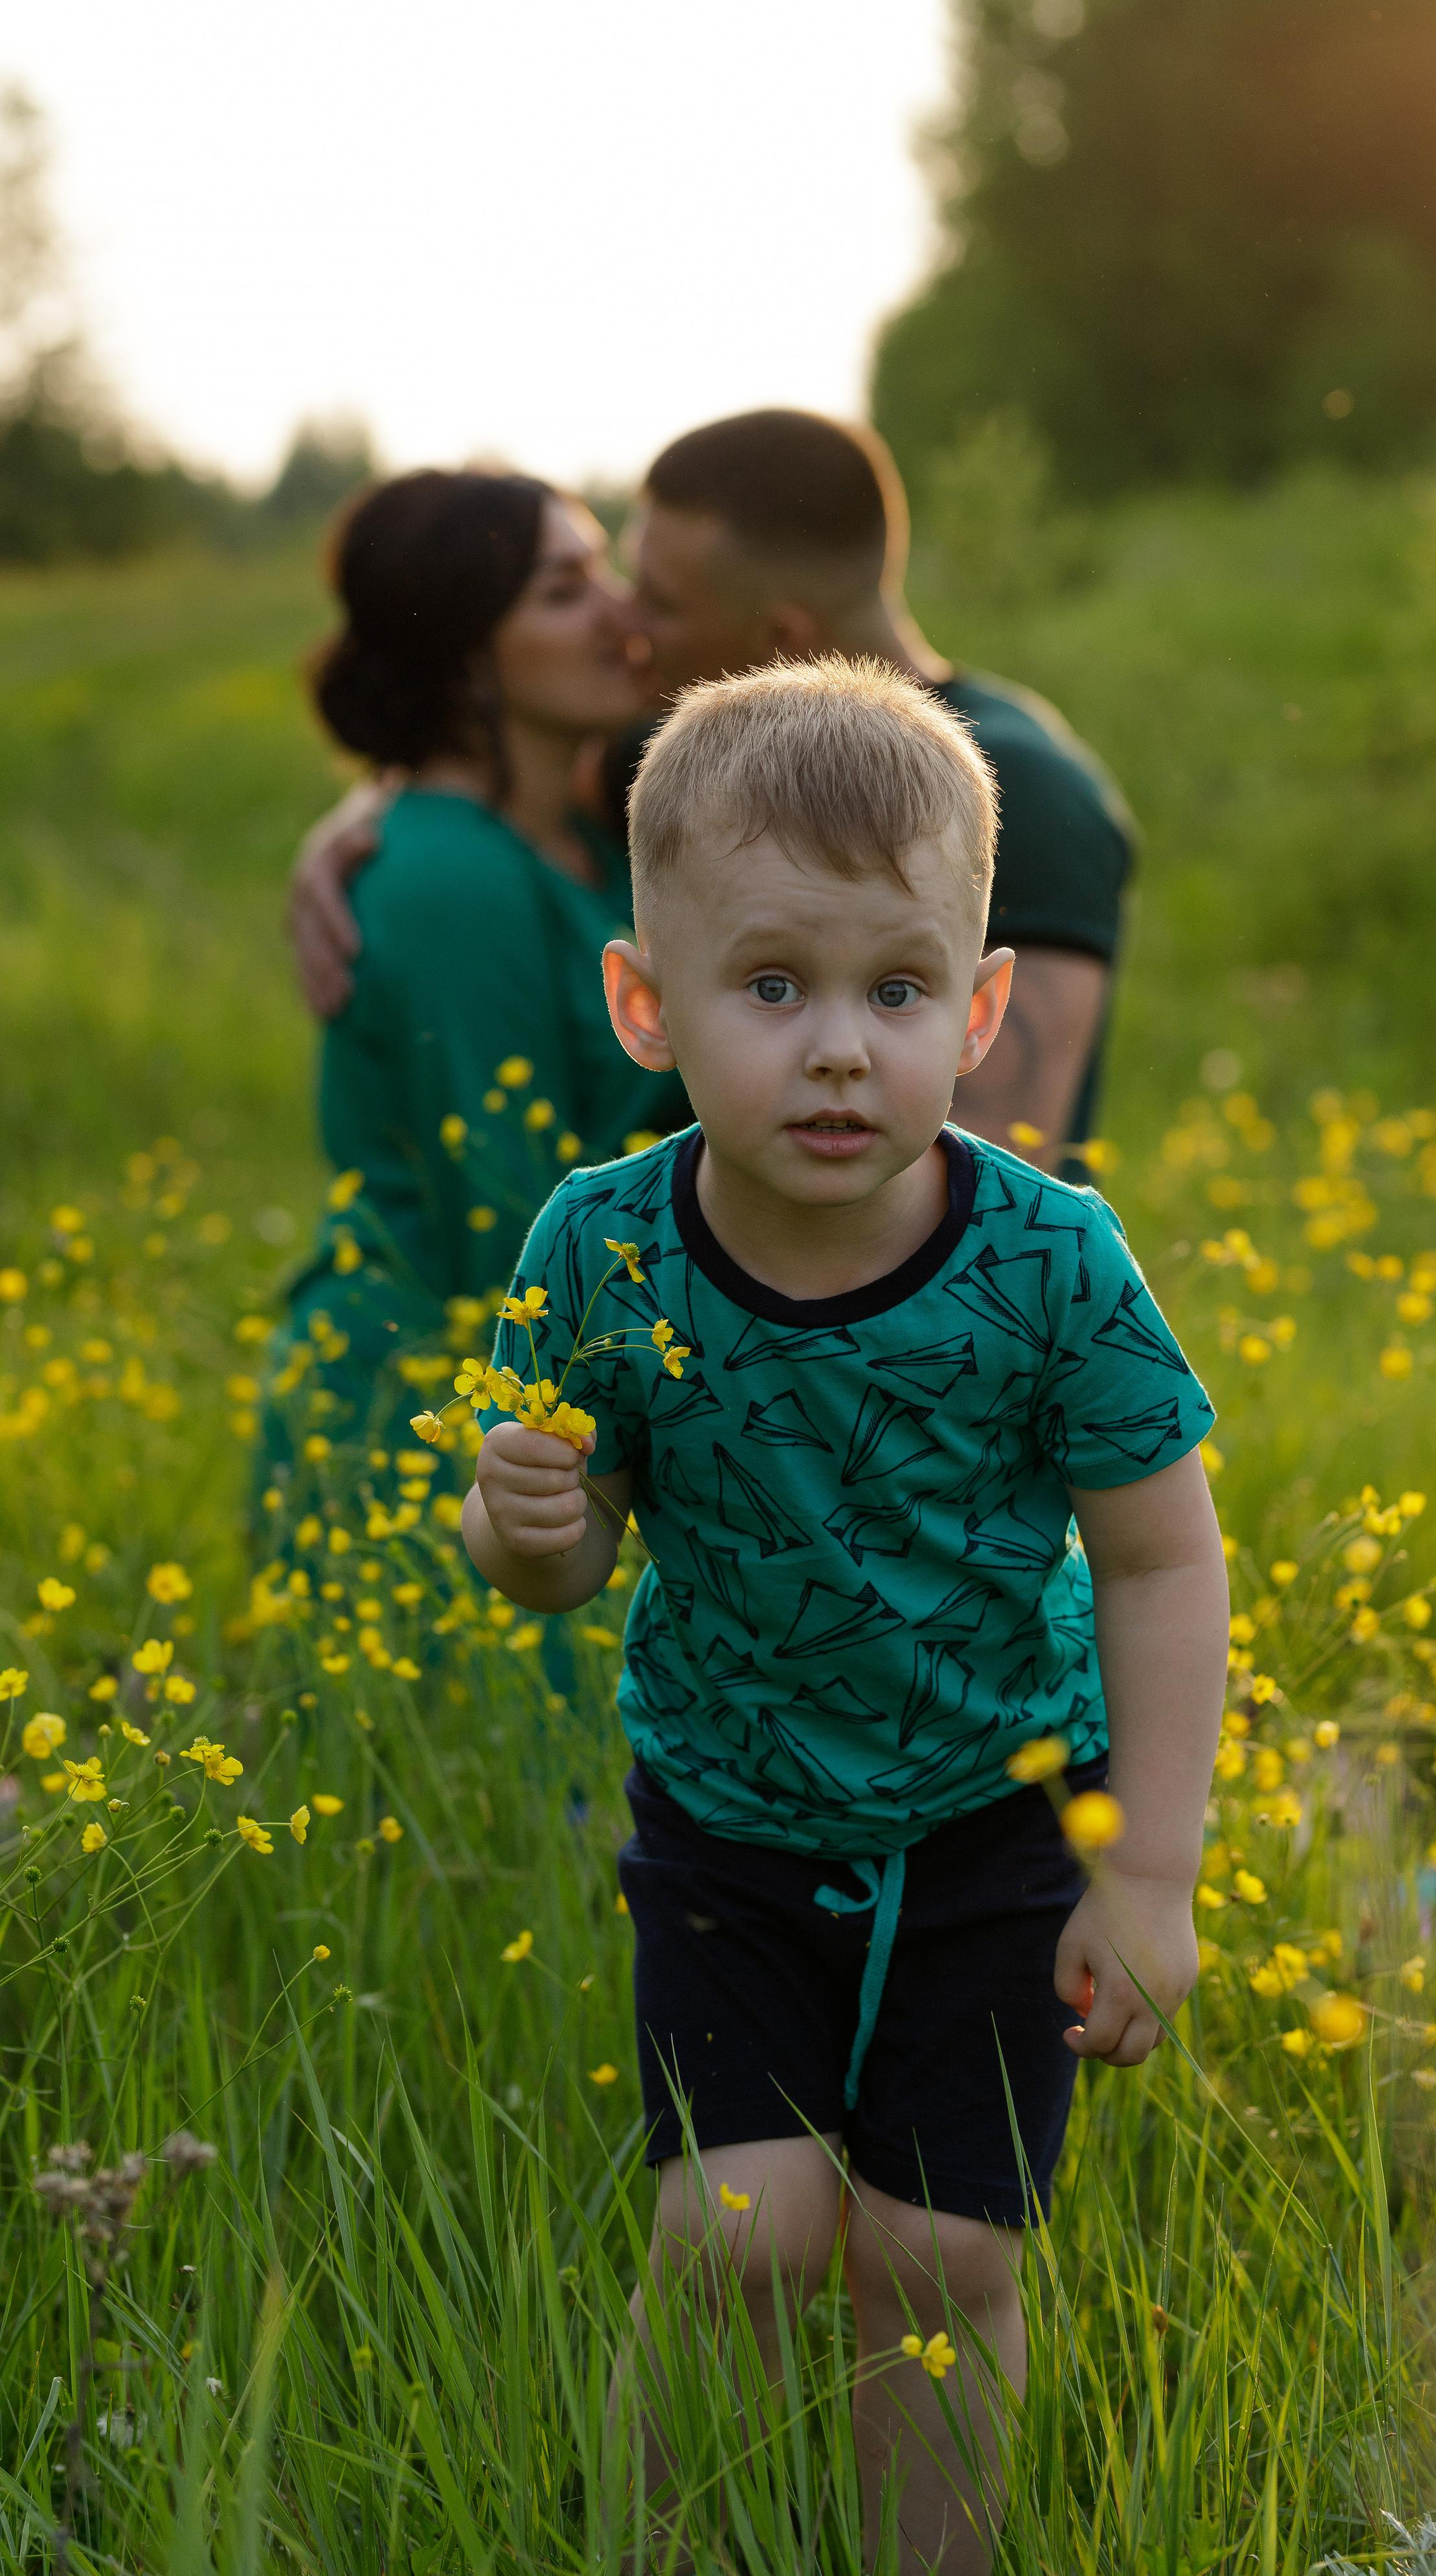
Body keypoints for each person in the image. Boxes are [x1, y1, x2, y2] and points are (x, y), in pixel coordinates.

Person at [457, 657, 1227, 2573]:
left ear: (979, 1013)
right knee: (744, 2234)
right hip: (727, 1809)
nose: (833, 1050)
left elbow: (1159, 1555)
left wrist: (1150, 1875)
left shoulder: (1053, 1260)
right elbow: (564, 1572)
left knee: (944, 2248)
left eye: (894, 993)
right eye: (770, 984)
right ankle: (659, 2545)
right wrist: (527, 1523)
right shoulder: (604, 1245)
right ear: (648, 1002)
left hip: (995, 1809)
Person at [287, 409, 1135, 1178]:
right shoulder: (670, 770)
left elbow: (992, 1166)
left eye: (657, 602)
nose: (625, 624)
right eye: (595, 585)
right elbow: (476, 806)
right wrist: (377, 811)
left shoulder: (1024, 792)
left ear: (780, 641)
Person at [261, 468, 679, 1486]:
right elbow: (505, 1224)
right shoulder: (451, 880)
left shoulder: (583, 828)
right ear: (462, 660)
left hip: (540, 1399)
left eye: (606, 571)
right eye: (565, 590)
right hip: (437, 1419)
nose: (621, 610)